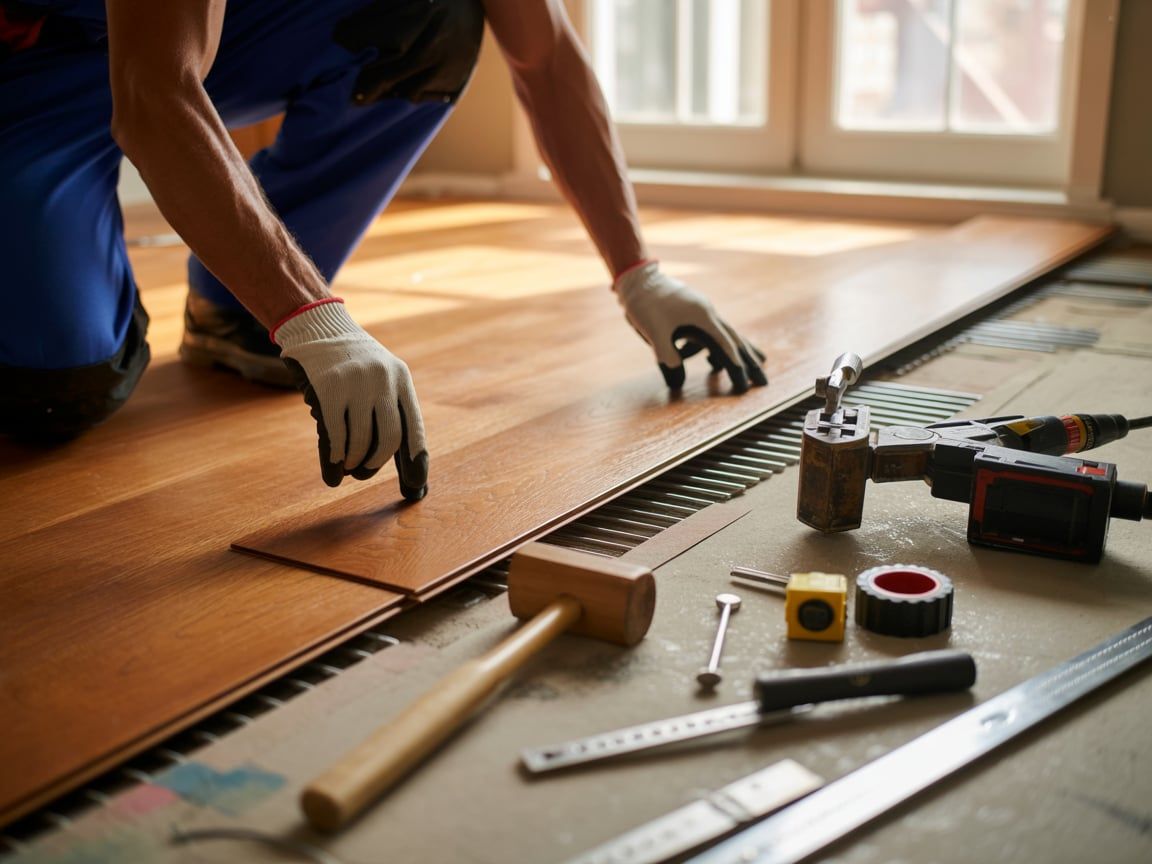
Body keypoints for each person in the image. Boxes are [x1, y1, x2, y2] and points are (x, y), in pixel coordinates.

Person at [0, 0, 767, 500]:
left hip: (202, 40)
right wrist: (314, 319)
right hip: (33, 70)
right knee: (58, 391)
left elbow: (547, 57)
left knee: (426, 19)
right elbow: (153, 95)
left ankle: (236, 310)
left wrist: (638, 273)